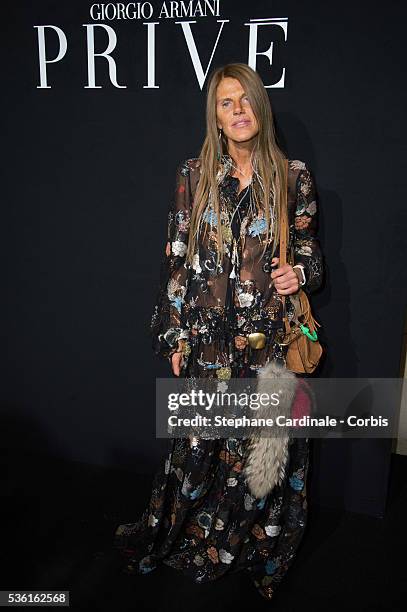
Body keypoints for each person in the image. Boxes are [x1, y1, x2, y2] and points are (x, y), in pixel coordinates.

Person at [113, 62, 323, 600]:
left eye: (246, 100)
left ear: (261, 106)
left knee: (265, 457)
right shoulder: (193, 174)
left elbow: (310, 253)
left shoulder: (292, 175)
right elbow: (176, 261)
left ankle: (256, 546)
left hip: (271, 343)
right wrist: (174, 334)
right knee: (198, 448)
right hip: (211, 343)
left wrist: (297, 272)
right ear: (216, 115)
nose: (238, 111)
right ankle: (184, 535)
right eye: (226, 103)